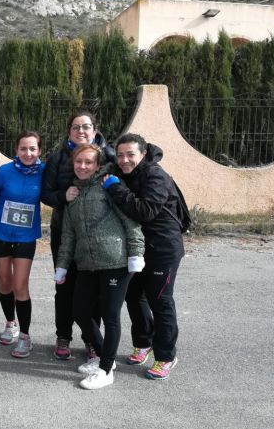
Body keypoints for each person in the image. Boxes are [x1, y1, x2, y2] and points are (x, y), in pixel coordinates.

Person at [54, 143, 145, 390]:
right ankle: (106, 356)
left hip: (115, 260)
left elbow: (131, 222)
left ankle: (105, 370)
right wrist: (62, 266)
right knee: (80, 311)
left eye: (89, 162)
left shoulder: (108, 185)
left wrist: (136, 253)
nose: (83, 167)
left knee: (110, 315)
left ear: (97, 165)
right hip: (87, 264)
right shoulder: (74, 193)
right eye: (78, 162)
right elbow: (69, 236)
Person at [103, 133, 183, 380]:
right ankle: (143, 343)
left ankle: (166, 356)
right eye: (121, 154)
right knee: (134, 297)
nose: (125, 160)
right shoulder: (122, 171)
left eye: (131, 155)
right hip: (137, 247)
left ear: (144, 154)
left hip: (162, 248)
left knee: (161, 301)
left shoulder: (155, 175)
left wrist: (115, 188)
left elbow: (145, 211)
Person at [41, 110, 115, 361]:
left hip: (97, 236)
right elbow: (46, 193)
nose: (80, 131)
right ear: (69, 131)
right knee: (64, 287)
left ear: (94, 130)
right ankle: (63, 336)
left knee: (93, 291)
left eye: (86, 126)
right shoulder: (57, 158)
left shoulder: (110, 156)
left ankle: (91, 340)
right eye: (75, 127)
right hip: (64, 232)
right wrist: (63, 196)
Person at [0, 132, 45, 358]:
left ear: (39, 150)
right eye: (24, 149)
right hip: (1, 233)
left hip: (25, 236)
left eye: (32, 149)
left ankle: (25, 335)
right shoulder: (3, 172)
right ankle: (10, 323)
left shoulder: (45, 172)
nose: (28, 153)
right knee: (4, 283)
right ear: (16, 150)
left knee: (20, 285)